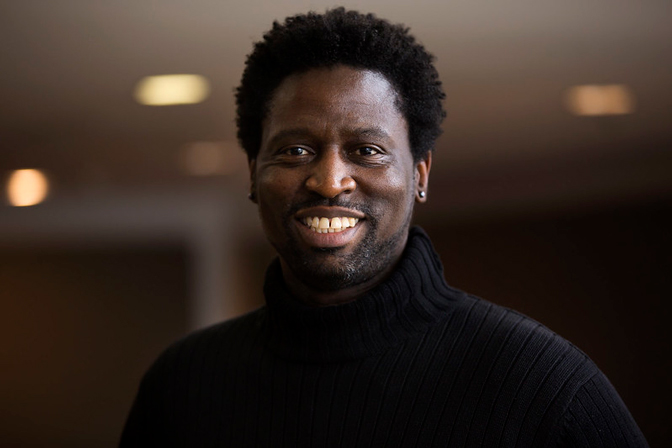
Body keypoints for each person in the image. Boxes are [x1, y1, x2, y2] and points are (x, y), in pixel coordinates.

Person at [120, 8, 647, 447]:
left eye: (366, 151)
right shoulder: (184, 384)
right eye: (295, 149)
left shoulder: (539, 383)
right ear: (253, 174)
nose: (330, 181)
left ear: (419, 175)